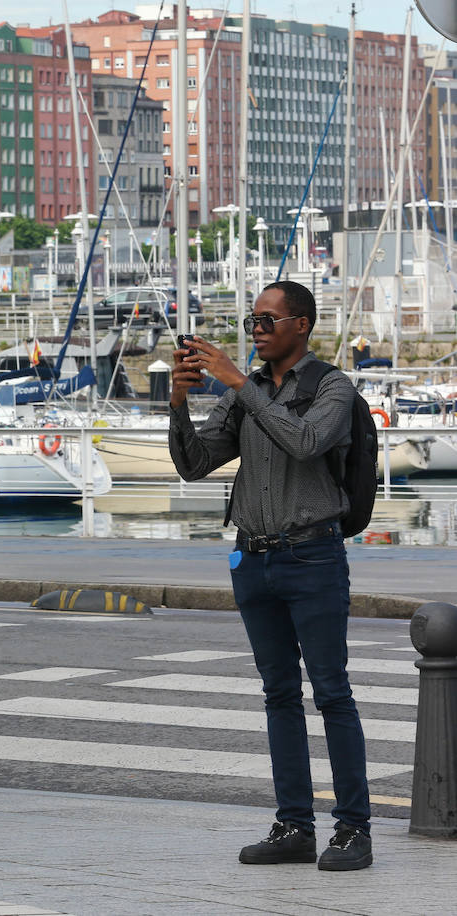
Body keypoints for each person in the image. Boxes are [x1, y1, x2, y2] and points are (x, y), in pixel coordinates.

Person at [169, 280, 372, 871]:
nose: (256, 329)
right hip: (252, 559)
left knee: (332, 693)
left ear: (301, 325)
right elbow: (194, 464)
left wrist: (235, 384)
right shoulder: (249, 390)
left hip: (313, 556)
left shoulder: (332, 386)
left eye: (267, 319)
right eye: (252, 320)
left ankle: (354, 831)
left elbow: (306, 442)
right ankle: (294, 827)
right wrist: (179, 402)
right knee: (278, 694)